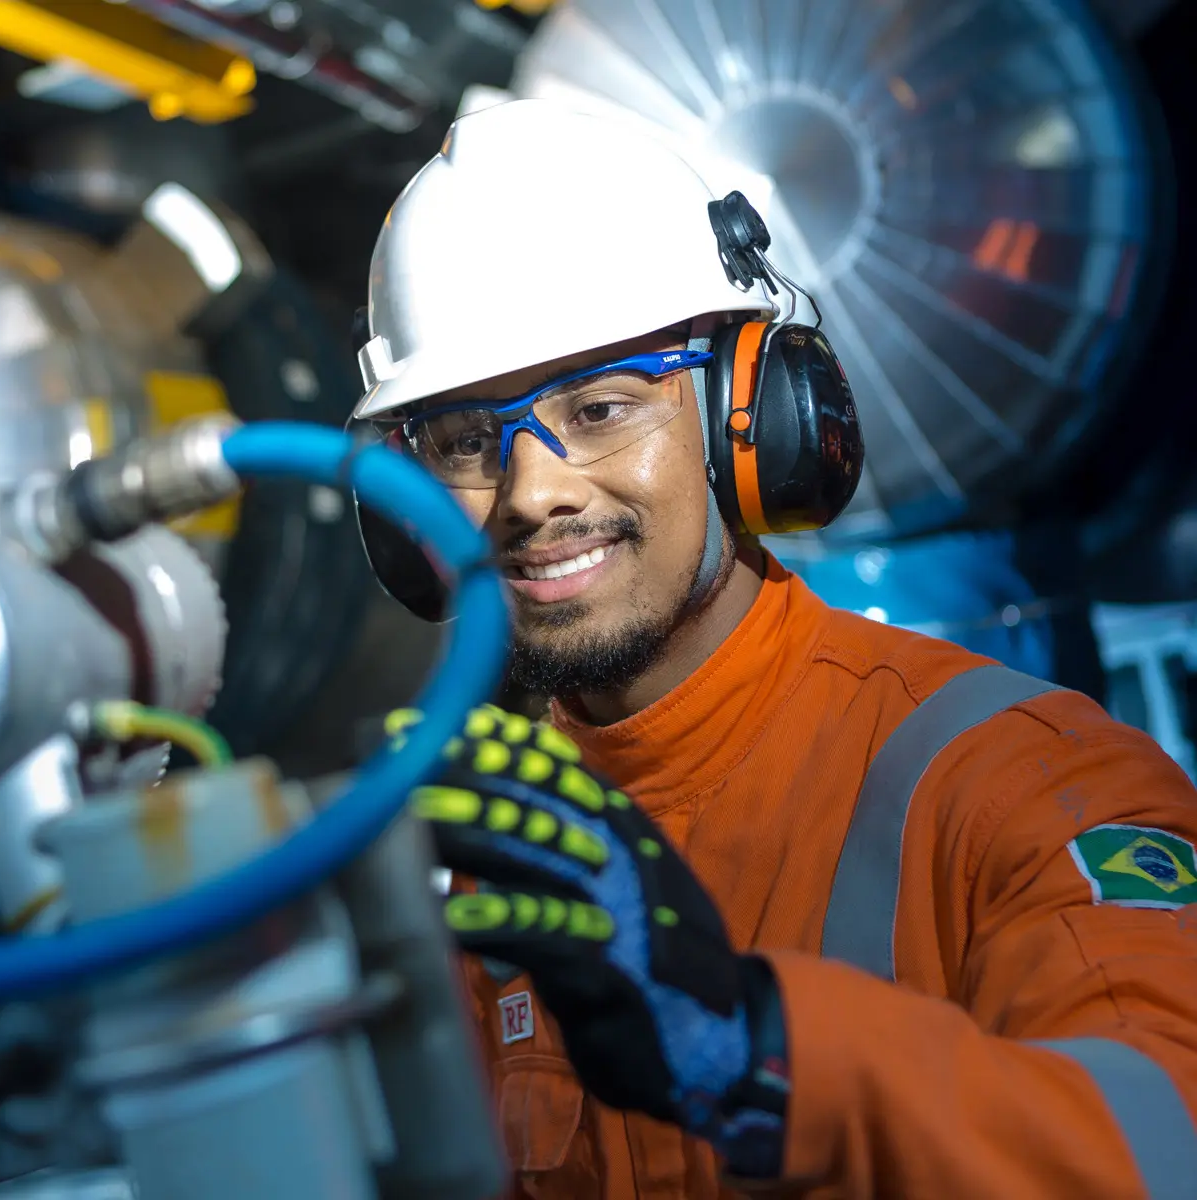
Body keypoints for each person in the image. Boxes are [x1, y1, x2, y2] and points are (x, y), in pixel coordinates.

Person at [353, 97, 1197, 1198]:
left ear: (750, 418)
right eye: (466, 442)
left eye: (602, 409)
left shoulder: (1021, 781)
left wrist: (765, 1052)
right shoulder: (496, 858)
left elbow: (1165, 1142)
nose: (531, 492)